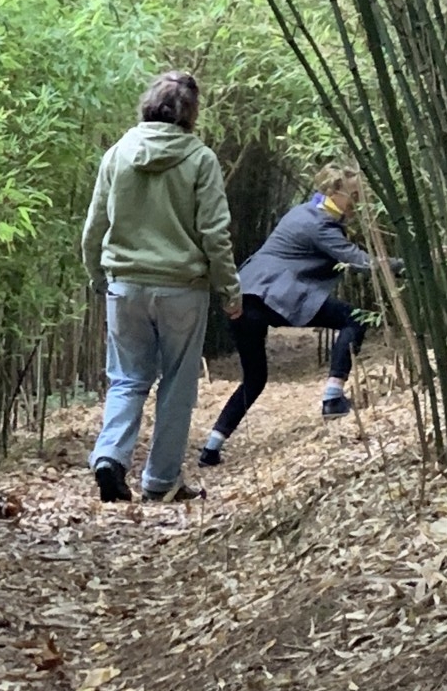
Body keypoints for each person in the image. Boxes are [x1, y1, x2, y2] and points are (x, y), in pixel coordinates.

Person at [83, 71, 242, 503]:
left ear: (148, 104)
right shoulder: (200, 158)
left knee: (127, 380)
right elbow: (214, 233)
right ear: (191, 114)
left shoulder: (118, 153)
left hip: (126, 285)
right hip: (182, 289)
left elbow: (94, 227)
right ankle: (160, 481)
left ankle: (110, 458)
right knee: (177, 384)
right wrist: (230, 289)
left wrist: (99, 276)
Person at [198, 163, 389, 466]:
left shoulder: (305, 211)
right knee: (355, 318)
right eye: (354, 195)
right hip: (271, 295)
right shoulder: (320, 225)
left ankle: (211, 447)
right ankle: (332, 397)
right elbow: (359, 260)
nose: (358, 203)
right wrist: (409, 267)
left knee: (255, 378)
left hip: (242, 295)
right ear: (333, 192)